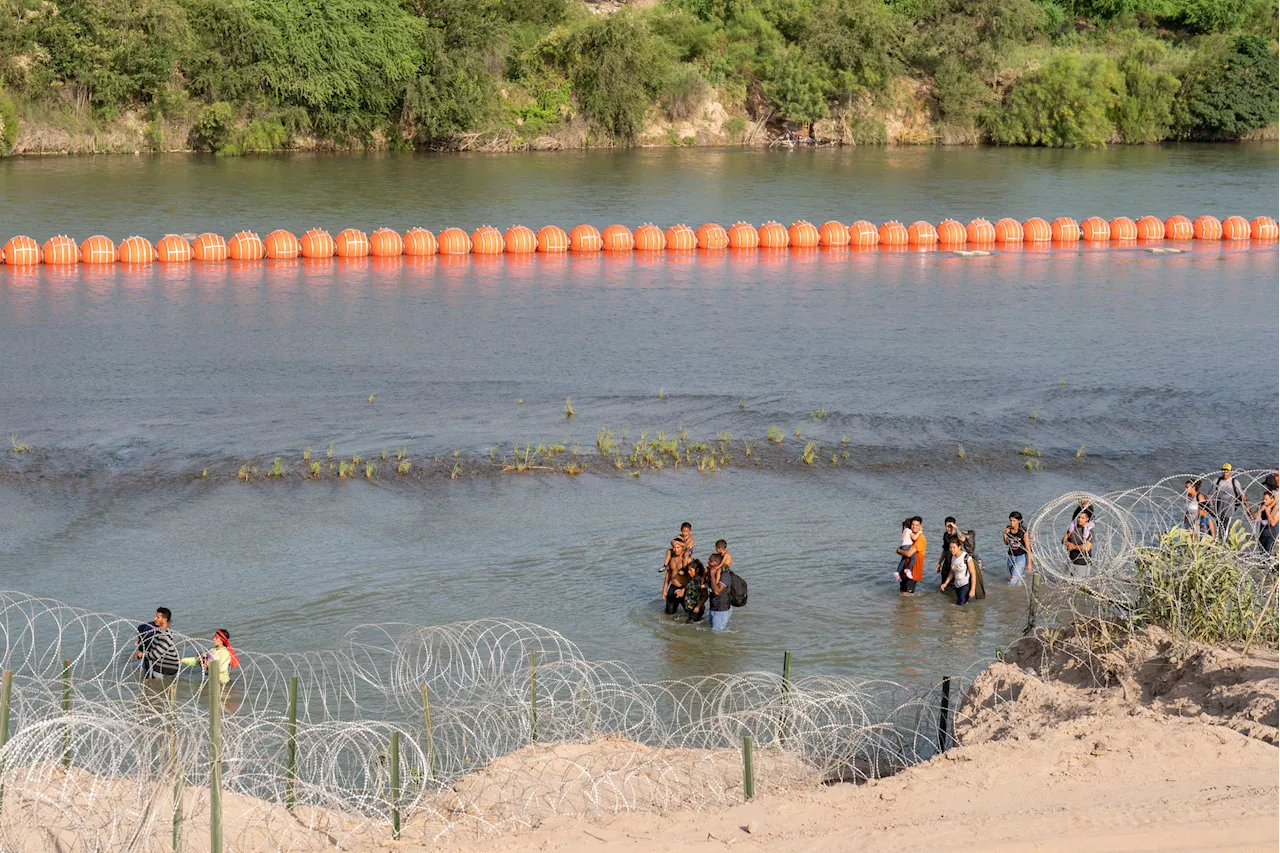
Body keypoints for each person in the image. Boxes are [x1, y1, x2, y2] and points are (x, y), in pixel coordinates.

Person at [134, 607, 179, 685]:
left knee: (150, 687)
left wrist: (140, 655)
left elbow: (156, 654)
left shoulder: (165, 635)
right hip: (164, 664)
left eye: (158, 617)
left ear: (165, 620)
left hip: (167, 667)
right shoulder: (159, 631)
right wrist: (141, 641)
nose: (155, 619)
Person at [1209, 464, 1250, 535]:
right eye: (1223, 471)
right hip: (1218, 509)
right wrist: (1210, 507)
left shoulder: (1234, 482)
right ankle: (1219, 541)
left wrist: (1248, 508)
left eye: (1227, 471)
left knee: (1225, 527)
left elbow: (1242, 495)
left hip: (1229, 509)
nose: (1225, 473)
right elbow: (1210, 495)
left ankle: (1223, 542)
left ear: (1231, 472)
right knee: (1218, 527)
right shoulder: (1217, 481)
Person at [940, 539, 974, 606]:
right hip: (957, 585)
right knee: (962, 604)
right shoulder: (953, 557)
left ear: (959, 547)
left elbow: (973, 574)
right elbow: (952, 572)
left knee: (959, 604)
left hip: (965, 584)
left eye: (954, 548)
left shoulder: (966, 558)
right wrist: (945, 583)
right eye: (950, 547)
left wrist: (972, 589)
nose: (951, 549)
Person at [663, 538, 692, 614]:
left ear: (682, 548)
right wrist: (664, 590)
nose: (676, 550)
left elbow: (693, 577)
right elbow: (668, 574)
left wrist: (684, 590)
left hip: (684, 588)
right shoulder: (671, 559)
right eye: (674, 547)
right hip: (673, 587)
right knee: (668, 613)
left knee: (690, 612)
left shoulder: (687, 560)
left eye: (678, 547)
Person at [898, 517, 925, 595]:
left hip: (913, 572)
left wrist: (899, 551)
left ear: (920, 526)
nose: (914, 527)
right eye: (913, 525)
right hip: (905, 569)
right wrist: (900, 551)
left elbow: (908, 553)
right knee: (902, 592)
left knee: (908, 595)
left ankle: (910, 607)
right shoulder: (910, 535)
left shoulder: (920, 538)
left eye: (917, 525)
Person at [1004, 512, 1032, 585]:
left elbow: (1028, 548)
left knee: (1012, 581)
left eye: (1014, 521)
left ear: (1018, 521)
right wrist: (1005, 534)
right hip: (1010, 557)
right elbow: (1006, 543)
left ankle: (1009, 594)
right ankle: (1019, 589)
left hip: (1021, 558)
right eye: (1010, 520)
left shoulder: (1023, 532)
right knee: (1013, 577)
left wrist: (1029, 564)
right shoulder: (1008, 530)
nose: (1012, 523)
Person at [706, 553, 732, 632]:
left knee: (717, 634)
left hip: (721, 610)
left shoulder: (725, 575)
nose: (708, 563)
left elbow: (717, 592)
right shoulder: (712, 574)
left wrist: (712, 575)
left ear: (716, 563)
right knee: (714, 631)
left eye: (710, 561)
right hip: (713, 608)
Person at [1063, 509, 1093, 575]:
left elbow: (1087, 547)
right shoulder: (1073, 527)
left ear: (1087, 519)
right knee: (1066, 583)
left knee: (1079, 584)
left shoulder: (1089, 530)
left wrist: (1073, 547)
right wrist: (1067, 543)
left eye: (1082, 518)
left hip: (1082, 562)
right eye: (1079, 517)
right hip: (1070, 560)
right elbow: (1064, 539)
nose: (1080, 519)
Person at [935, 517, 961, 584]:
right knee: (944, 584)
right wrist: (939, 563)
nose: (948, 528)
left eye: (950, 526)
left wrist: (956, 528)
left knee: (955, 585)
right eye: (946, 526)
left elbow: (963, 539)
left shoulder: (957, 536)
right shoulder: (945, 535)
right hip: (946, 563)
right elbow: (945, 550)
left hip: (955, 563)